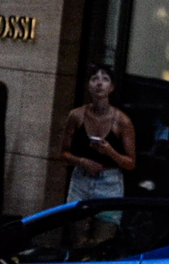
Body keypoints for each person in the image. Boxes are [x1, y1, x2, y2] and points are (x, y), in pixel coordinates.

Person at [58, 65, 136, 201]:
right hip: (81, 180)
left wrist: (110, 151)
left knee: (106, 222)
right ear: (88, 85)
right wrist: (83, 162)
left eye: (105, 79)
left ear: (111, 87)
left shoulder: (122, 121)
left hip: (110, 182)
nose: (99, 83)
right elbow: (64, 153)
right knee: (76, 221)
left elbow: (130, 163)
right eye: (94, 79)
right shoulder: (76, 116)